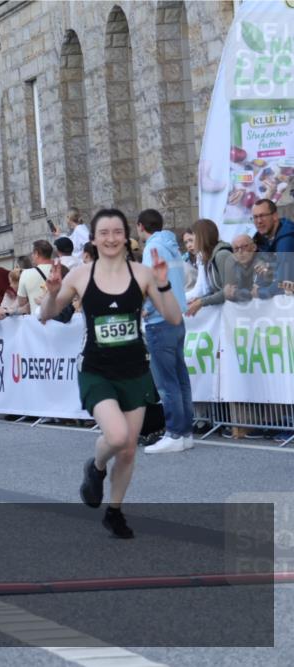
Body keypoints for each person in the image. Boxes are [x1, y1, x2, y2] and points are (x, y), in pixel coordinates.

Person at [38, 208, 181, 539]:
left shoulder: (143, 273)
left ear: (126, 236)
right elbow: (46, 315)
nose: (111, 238)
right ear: (94, 238)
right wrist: (53, 290)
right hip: (97, 370)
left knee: (130, 448)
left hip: (135, 369)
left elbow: (173, 317)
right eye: (104, 233)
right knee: (117, 437)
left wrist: (163, 284)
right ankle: (96, 467)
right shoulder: (81, 275)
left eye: (117, 232)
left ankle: (114, 511)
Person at [136, 209, 193, 454]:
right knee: (180, 379)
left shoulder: (152, 248)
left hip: (160, 318)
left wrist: (146, 307)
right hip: (177, 316)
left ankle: (174, 433)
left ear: (140, 226)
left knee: (166, 382)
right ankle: (185, 432)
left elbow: (152, 281)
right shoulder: (172, 246)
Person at [185, 219, 236, 316]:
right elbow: (216, 290)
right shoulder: (208, 258)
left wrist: (202, 302)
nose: (190, 243)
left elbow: (230, 291)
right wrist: (201, 299)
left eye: (193, 237)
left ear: (202, 237)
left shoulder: (222, 255)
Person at [251, 198, 294, 296]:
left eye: (262, 216)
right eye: (255, 217)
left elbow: (284, 282)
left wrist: (258, 292)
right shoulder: (260, 238)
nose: (259, 221)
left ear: (275, 216)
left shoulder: (287, 240)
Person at [17, 240, 55, 315]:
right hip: (60, 320)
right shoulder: (62, 270)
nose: (32, 256)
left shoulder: (26, 273)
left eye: (33, 253)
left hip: (37, 321)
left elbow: (21, 302)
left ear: (37, 253)